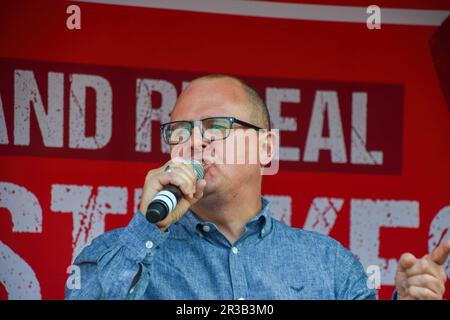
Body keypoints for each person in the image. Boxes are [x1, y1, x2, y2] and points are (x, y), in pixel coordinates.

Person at [66, 75, 449, 300]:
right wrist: (148, 230)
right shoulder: (121, 252)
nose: (194, 142)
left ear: (266, 148)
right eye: (180, 131)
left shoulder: (327, 263)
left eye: (215, 127)